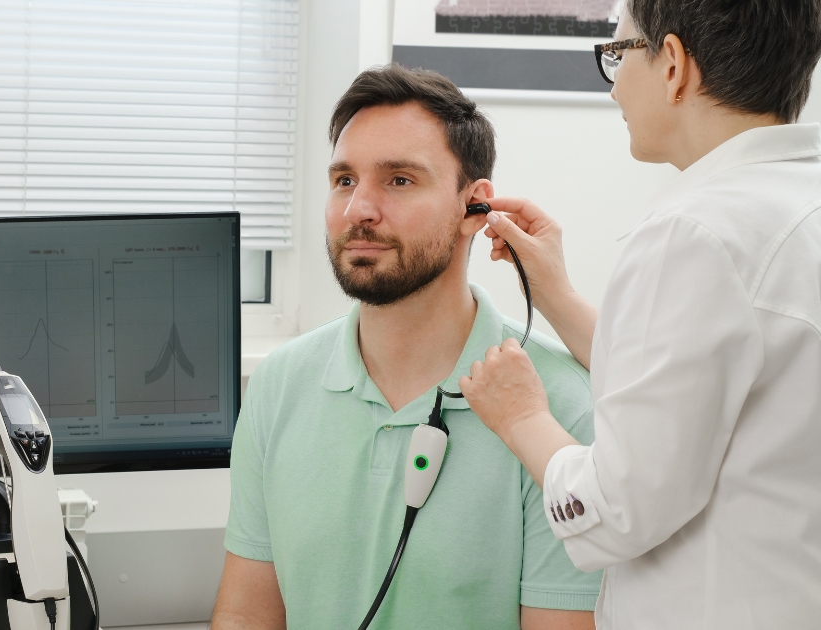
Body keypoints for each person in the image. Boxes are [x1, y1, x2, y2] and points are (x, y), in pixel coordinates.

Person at [459, 1, 821, 628]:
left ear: (674, 66)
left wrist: (522, 418)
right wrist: (559, 297)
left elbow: (619, 509)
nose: (614, 85)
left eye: (617, 53)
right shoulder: (794, 208)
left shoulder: (693, 232)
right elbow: (699, 389)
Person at [211, 65, 600, 630]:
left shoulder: (558, 404)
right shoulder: (280, 384)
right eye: (344, 180)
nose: (358, 210)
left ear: (475, 207)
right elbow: (246, 614)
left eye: (398, 180)